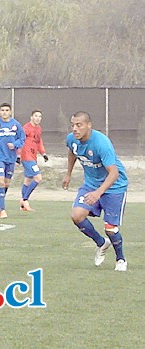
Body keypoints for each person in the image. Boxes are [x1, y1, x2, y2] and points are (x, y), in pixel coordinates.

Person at [62, 111, 128, 272]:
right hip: (90, 184)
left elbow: (114, 173)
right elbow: (72, 152)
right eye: (73, 125)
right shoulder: (72, 139)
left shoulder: (101, 143)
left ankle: (120, 259)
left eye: (79, 125)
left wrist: (98, 193)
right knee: (77, 216)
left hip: (114, 186)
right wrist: (68, 174)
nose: (75, 129)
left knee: (110, 228)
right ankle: (101, 243)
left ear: (89, 125)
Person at [18, 109, 48, 211]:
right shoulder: (26, 128)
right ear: (31, 117)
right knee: (38, 177)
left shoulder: (38, 129)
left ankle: (22, 206)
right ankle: (25, 200)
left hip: (33, 157)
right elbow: (20, 141)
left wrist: (43, 153)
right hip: (26, 157)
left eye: (40, 116)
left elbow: (39, 142)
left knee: (27, 180)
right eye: (36, 116)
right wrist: (18, 155)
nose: (38, 118)